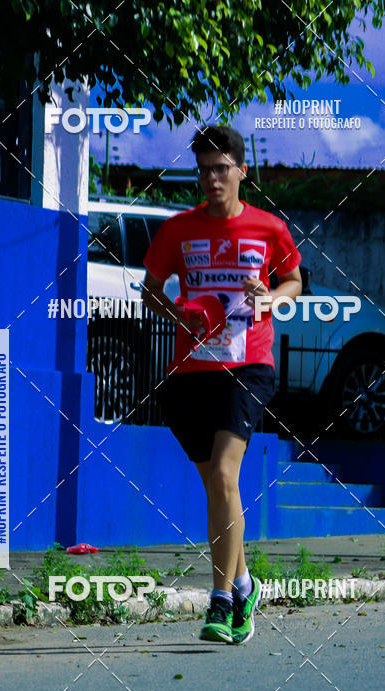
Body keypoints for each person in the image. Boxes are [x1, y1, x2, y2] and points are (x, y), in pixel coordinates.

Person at [141, 125, 302, 644]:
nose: (212, 178)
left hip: (249, 367)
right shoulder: (177, 231)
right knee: (217, 486)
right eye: (204, 169)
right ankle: (247, 582)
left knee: (227, 476)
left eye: (221, 168)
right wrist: (178, 313)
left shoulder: (268, 228)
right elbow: (150, 291)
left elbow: (294, 282)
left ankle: (219, 600)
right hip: (191, 372)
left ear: (241, 171)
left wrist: (269, 297)